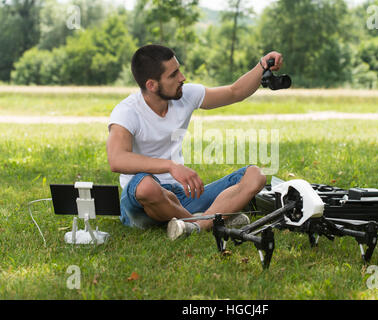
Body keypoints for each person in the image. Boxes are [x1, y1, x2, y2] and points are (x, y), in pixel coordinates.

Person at [106, 44, 283, 240]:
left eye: (179, 70)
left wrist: (261, 65)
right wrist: (171, 166)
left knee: (255, 175)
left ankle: (197, 225)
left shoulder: (185, 95)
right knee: (147, 187)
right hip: (142, 203)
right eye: (173, 75)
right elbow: (117, 159)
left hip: (181, 198)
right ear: (151, 85)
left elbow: (235, 92)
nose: (182, 78)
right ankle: (207, 221)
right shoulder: (127, 111)